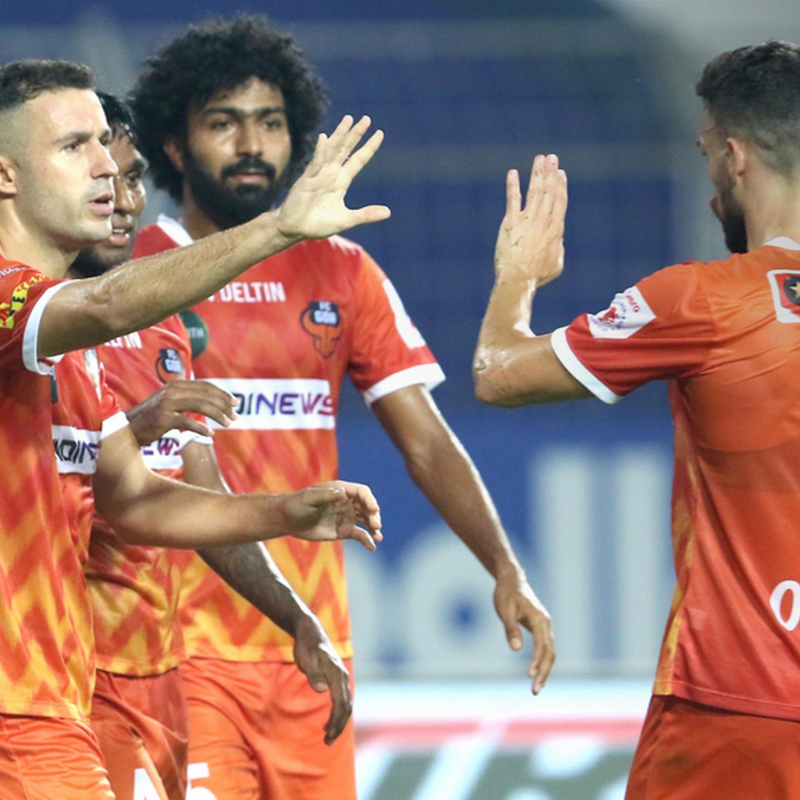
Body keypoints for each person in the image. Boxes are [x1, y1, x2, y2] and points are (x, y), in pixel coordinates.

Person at [130, 16, 555, 800]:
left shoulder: (344, 271)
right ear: (176, 147)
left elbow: (425, 442)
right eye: (223, 123)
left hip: (313, 658)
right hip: (180, 650)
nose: (251, 144)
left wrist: (504, 567)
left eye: (270, 122)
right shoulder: (139, 274)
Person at [0, 57, 385, 799]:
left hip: (55, 706)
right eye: (75, 146)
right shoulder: (27, 304)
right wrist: (277, 228)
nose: (106, 169)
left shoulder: (75, 349)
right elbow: (108, 304)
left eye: (106, 146)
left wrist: (285, 511)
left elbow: (135, 498)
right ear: (5, 175)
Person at [474, 40, 800, 800]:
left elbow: (498, 373)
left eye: (705, 155)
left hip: (736, 703)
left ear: (734, 157)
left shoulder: (703, 300)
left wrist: (518, 276)